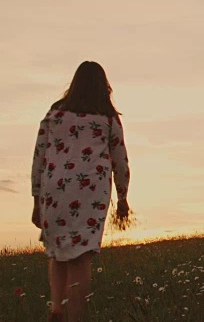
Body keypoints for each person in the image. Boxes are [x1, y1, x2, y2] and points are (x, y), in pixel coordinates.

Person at [30, 61, 131, 322]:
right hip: (90, 194)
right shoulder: (108, 118)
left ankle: (56, 309)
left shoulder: (54, 114)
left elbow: (39, 156)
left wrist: (36, 199)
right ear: (103, 86)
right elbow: (120, 160)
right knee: (81, 256)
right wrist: (123, 197)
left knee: (56, 251)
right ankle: (74, 317)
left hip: (55, 191)